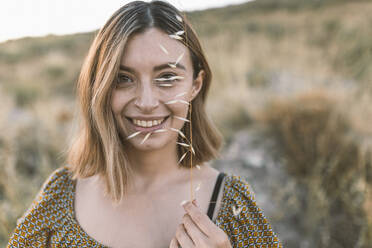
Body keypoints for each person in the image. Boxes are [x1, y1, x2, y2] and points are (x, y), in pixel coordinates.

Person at [7, 1, 282, 247]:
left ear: (195, 85)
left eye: (166, 77)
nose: (147, 102)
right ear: (99, 88)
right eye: (123, 78)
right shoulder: (61, 193)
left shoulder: (229, 203)